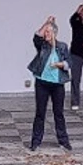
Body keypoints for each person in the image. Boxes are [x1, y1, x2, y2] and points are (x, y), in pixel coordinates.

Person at [27, 16, 72, 151]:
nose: (46, 34)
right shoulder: (42, 46)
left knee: (58, 112)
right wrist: (46, 23)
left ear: (54, 33)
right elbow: (36, 37)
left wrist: (60, 64)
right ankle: (36, 141)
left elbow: (70, 63)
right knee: (40, 113)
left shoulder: (62, 46)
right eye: (45, 32)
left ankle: (63, 140)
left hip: (57, 84)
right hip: (42, 83)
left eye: (49, 32)